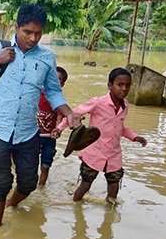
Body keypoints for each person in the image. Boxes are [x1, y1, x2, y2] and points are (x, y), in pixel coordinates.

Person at [0, 3, 81, 231]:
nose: (33, 38)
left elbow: (52, 91)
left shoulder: (47, 58)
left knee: (29, 183)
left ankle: (12, 204)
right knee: (1, 182)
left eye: (38, 33)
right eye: (27, 32)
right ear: (17, 27)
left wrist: (69, 113)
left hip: (28, 131)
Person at [56, 68, 148, 204]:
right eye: (120, 85)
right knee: (86, 185)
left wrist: (134, 137)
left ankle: (109, 217)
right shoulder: (98, 103)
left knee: (114, 187)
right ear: (110, 85)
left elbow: (120, 127)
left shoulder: (125, 106)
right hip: (94, 153)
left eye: (127, 85)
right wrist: (59, 129)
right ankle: (74, 207)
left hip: (114, 155)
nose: (124, 89)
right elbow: (74, 114)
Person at [37, 66, 68, 186]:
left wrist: (57, 129)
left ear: (62, 84)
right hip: (33, 135)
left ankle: (41, 187)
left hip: (49, 138)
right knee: (30, 163)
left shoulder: (59, 100)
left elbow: (60, 117)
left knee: (45, 165)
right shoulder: (36, 94)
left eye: (58, 79)